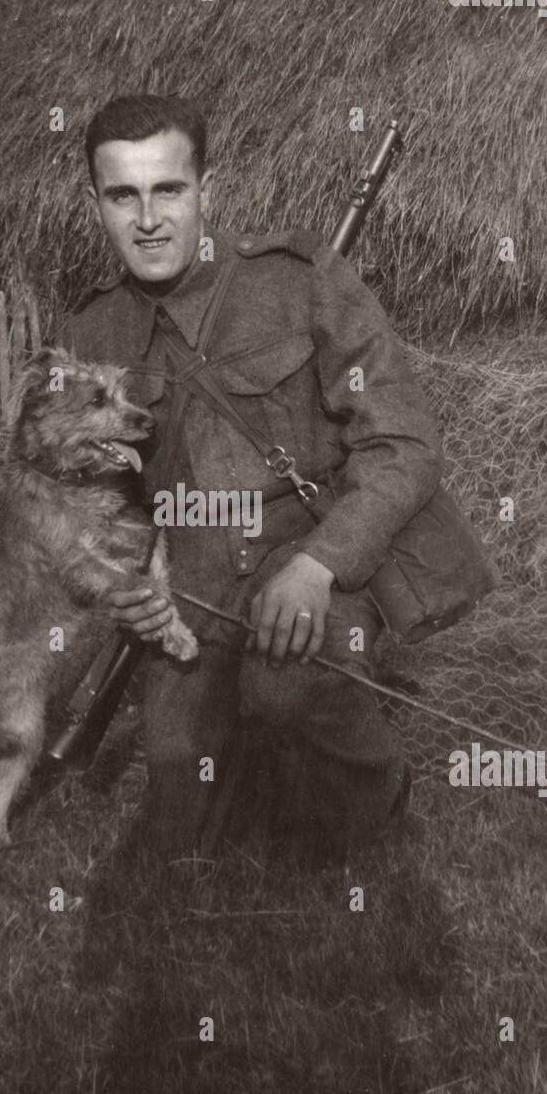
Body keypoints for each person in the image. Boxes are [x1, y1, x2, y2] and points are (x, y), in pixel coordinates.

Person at [56, 93, 443, 863]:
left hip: (305, 559)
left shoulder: (302, 282)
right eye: (122, 195)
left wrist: (320, 565)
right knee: (183, 836)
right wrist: (119, 579)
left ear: (208, 189)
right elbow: (89, 498)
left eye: (169, 189)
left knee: (289, 691)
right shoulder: (90, 334)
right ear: (95, 204)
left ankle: (372, 791)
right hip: (190, 586)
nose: (149, 218)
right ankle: (250, 762)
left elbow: (404, 444)